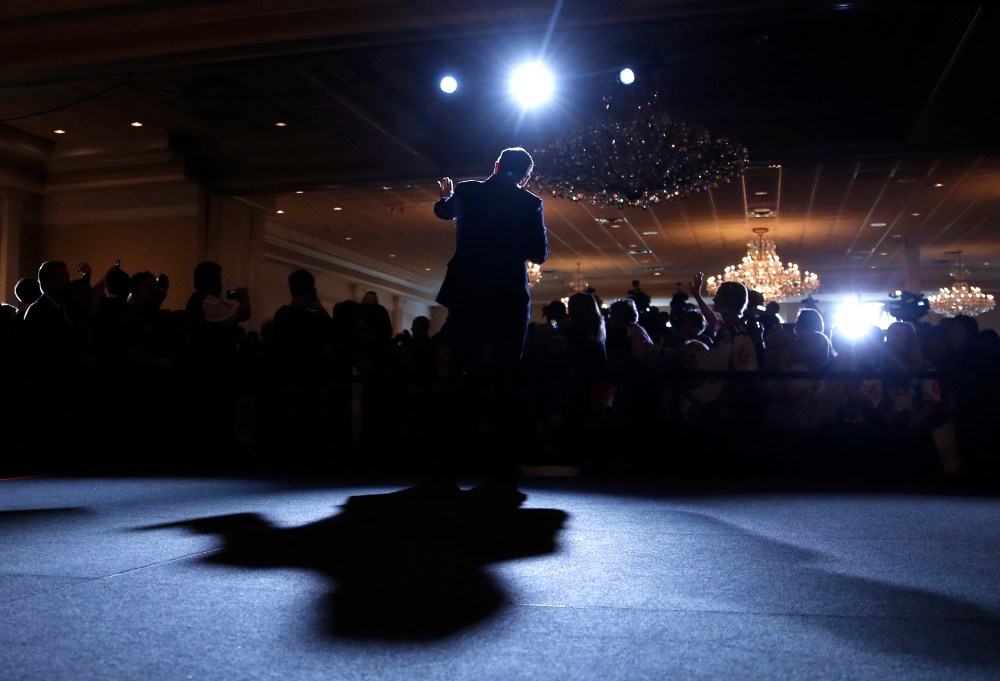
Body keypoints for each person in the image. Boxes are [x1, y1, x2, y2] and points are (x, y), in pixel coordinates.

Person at [432, 146, 549, 497]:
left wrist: (446, 196)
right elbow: (539, 253)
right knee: (504, 378)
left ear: (496, 165)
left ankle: (450, 456)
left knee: (460, 372)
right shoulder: (529, 203)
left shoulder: (468, 190)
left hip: (468, 294)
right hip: (507, 299)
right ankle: (499, 460)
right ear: (526, 177)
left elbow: (443, 211)